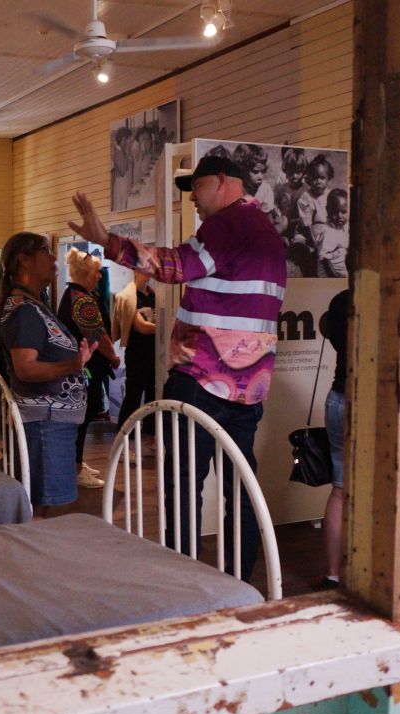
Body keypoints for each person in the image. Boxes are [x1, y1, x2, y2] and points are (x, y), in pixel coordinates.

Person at [69, 155, 287, 580]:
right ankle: (238, 581)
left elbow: (174, 267)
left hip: (202, 379)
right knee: (241, 486)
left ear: (222, 181)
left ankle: (184, 581)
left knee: (184, 486)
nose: (194, 202)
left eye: (197, 189)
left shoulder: (225, 225)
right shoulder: (268, 234)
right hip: (249, 387)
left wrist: (108, 241)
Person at [0, 233, 96, 515]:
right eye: (45, 251)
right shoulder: (24, 310)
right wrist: (72, 366)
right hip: (44, 423)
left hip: (49, 422)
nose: (53, 258)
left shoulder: (33, 305)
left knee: (42, 506)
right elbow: (26, 368)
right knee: (39, 508)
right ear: (24, 260)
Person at [57, 249, 120, 489]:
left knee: (84, 415)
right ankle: (74, 467)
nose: (100, 276)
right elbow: (98, 335)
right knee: (84, 415)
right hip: (86, 367)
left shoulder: (73, 294)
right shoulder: (82, 299)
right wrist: (113, 357)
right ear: (85, 273)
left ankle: (77, 463)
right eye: (96, 272)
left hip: (83, 366)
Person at [319, 287, 350, 589]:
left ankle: (332, 575)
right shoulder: (388, 296)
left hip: (338, 398)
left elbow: (327, 330)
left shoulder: (340, 300)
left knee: (340, 491)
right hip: (371, 403)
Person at [113, 271, 156, 431]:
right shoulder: (128, 297)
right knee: (134, 395)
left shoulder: (153, 295)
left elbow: (152, 322)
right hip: (137, 352)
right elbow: (141, 327)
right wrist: (164, 327)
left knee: (153, 394)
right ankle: (124, 435)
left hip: (154, 352)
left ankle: (151, 435)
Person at [314, 189, 349, 278]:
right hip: (329, 273)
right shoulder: (328, 232)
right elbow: (324, 259)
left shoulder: (342, 227)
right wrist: (333, 276)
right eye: (335, 212)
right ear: (328, 210)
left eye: (344, 212)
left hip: (339, 269)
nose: (339, 216)